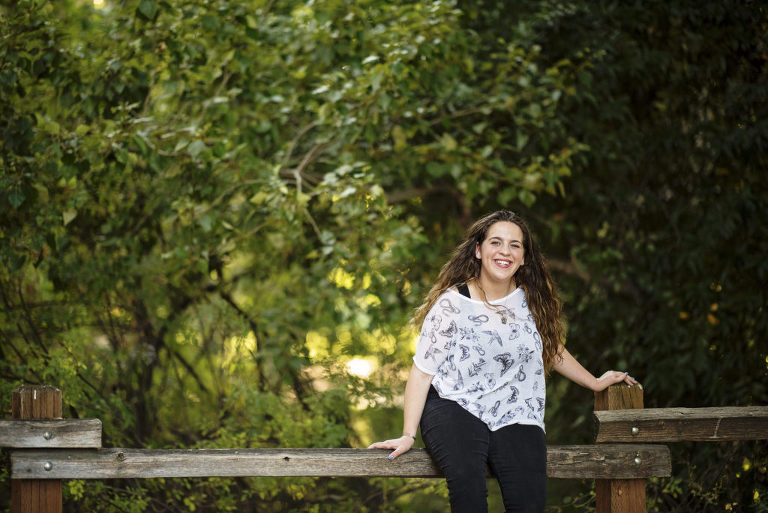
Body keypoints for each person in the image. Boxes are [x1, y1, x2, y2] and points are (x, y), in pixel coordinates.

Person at [368, 210, 638, 513]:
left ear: (523, 257)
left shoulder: (532, 300)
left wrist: (595, 382)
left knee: (529, 503)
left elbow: (551, 347)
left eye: (515, 245)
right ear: (479, 250)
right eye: (496, 242)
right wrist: (407, 435)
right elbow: (421, 373)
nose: (505, 252)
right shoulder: (452, 304)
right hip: (454, 404)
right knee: (469, 493)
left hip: (516, 411)